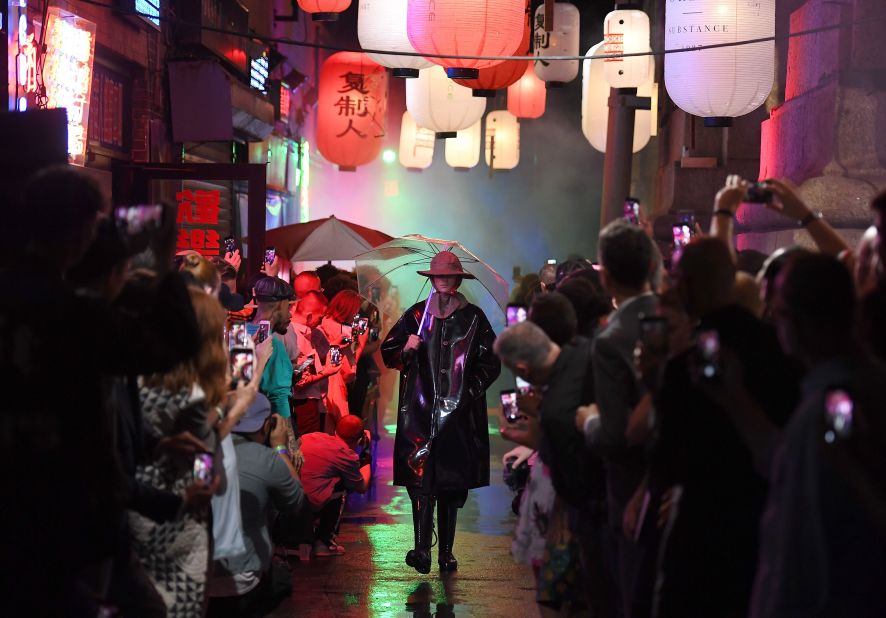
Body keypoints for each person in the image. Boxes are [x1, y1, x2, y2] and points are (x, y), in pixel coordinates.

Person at [647, 238, 799, 618]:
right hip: (762, 516)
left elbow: (667, 458)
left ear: (688, 284)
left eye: (677, 278)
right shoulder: (774, 346)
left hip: (700, 520)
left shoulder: (686, 359)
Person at [381, 250, 501, 574]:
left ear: (458, 280)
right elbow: (388, 352)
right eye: (439, 276)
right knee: (420, 481)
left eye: (449, 275)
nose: (443, 280)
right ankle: (421, 549)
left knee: (451, 483)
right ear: (432, 280)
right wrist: (406, 349)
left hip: (458, 418)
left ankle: (445, 551)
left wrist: (467, 393)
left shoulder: (474, 318)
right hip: (419, 413)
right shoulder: (417, 316)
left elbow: (491, 362)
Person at [580, 219, 658, 617]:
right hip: (673, 479)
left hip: (629, 485)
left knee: (630, 593)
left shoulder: (612, 339)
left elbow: (613, 434)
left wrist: (586, 421)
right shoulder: (675, 316)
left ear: (606, 276)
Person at [209, 394, 307, 617]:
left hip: (201, 570)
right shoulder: (266, 459)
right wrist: (281, 448)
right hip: (246, 573)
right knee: (282, 580)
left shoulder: (203, 451)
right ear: (267, 424)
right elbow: (297, 502)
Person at [299, 415, 372, 556]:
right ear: (360, 439)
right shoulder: (345, 455)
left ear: (336, 430)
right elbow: (361, 486)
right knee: (341, 485)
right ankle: (323, 542)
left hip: (286, 498)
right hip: (308, 504)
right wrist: (367, 455)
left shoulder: (311, 436)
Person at [314, 290, 370, 433]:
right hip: (335, 386)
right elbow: (348, 372)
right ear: (349, 310)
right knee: (339, 430)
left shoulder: (324, 322)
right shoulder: (342, 331)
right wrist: (361, 344)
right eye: (356, 311)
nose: (356, 315)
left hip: (319, 386)